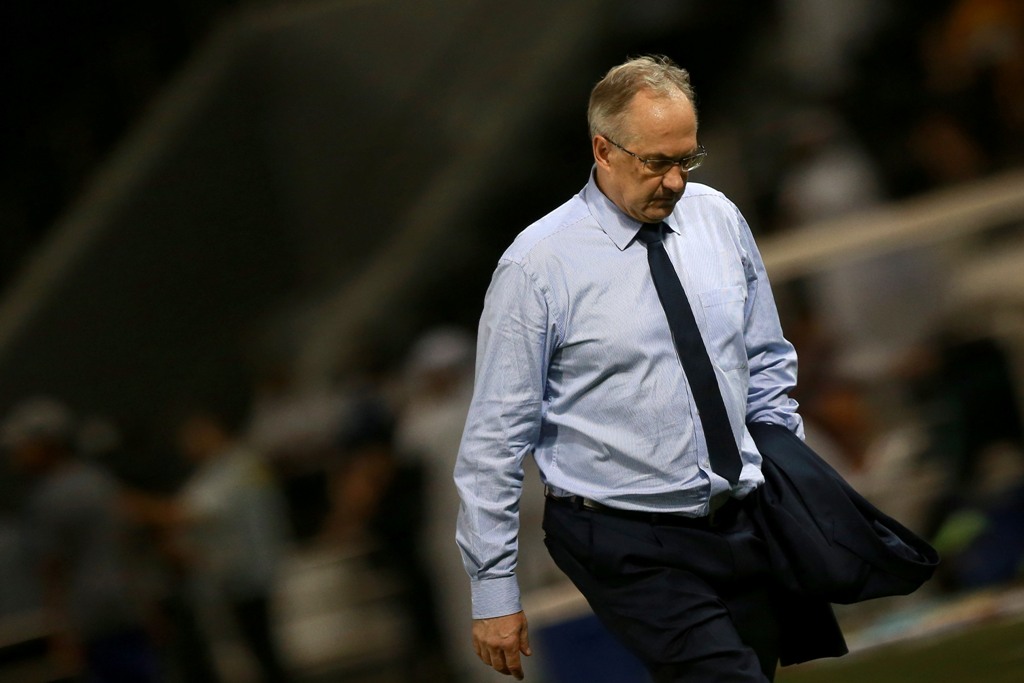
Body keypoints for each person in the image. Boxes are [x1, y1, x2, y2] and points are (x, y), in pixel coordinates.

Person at [454, 55, 808, 682]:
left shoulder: (719, 218)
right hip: (623, 536)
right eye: (656, 162)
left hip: (738, 515)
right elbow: (495, 437)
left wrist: (785, 475)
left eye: (687, 160)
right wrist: (493, 591)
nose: (675, 181)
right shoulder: (537, 266)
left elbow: (766, 360)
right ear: (604, 150)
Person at [1, 396, 161, 682]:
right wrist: (147, 605)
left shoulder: (47, 499)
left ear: (46, 445)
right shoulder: (97, 480)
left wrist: (60, 632)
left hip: (91, 617)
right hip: (125, 604)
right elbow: (126, 546)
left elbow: (52, 569)